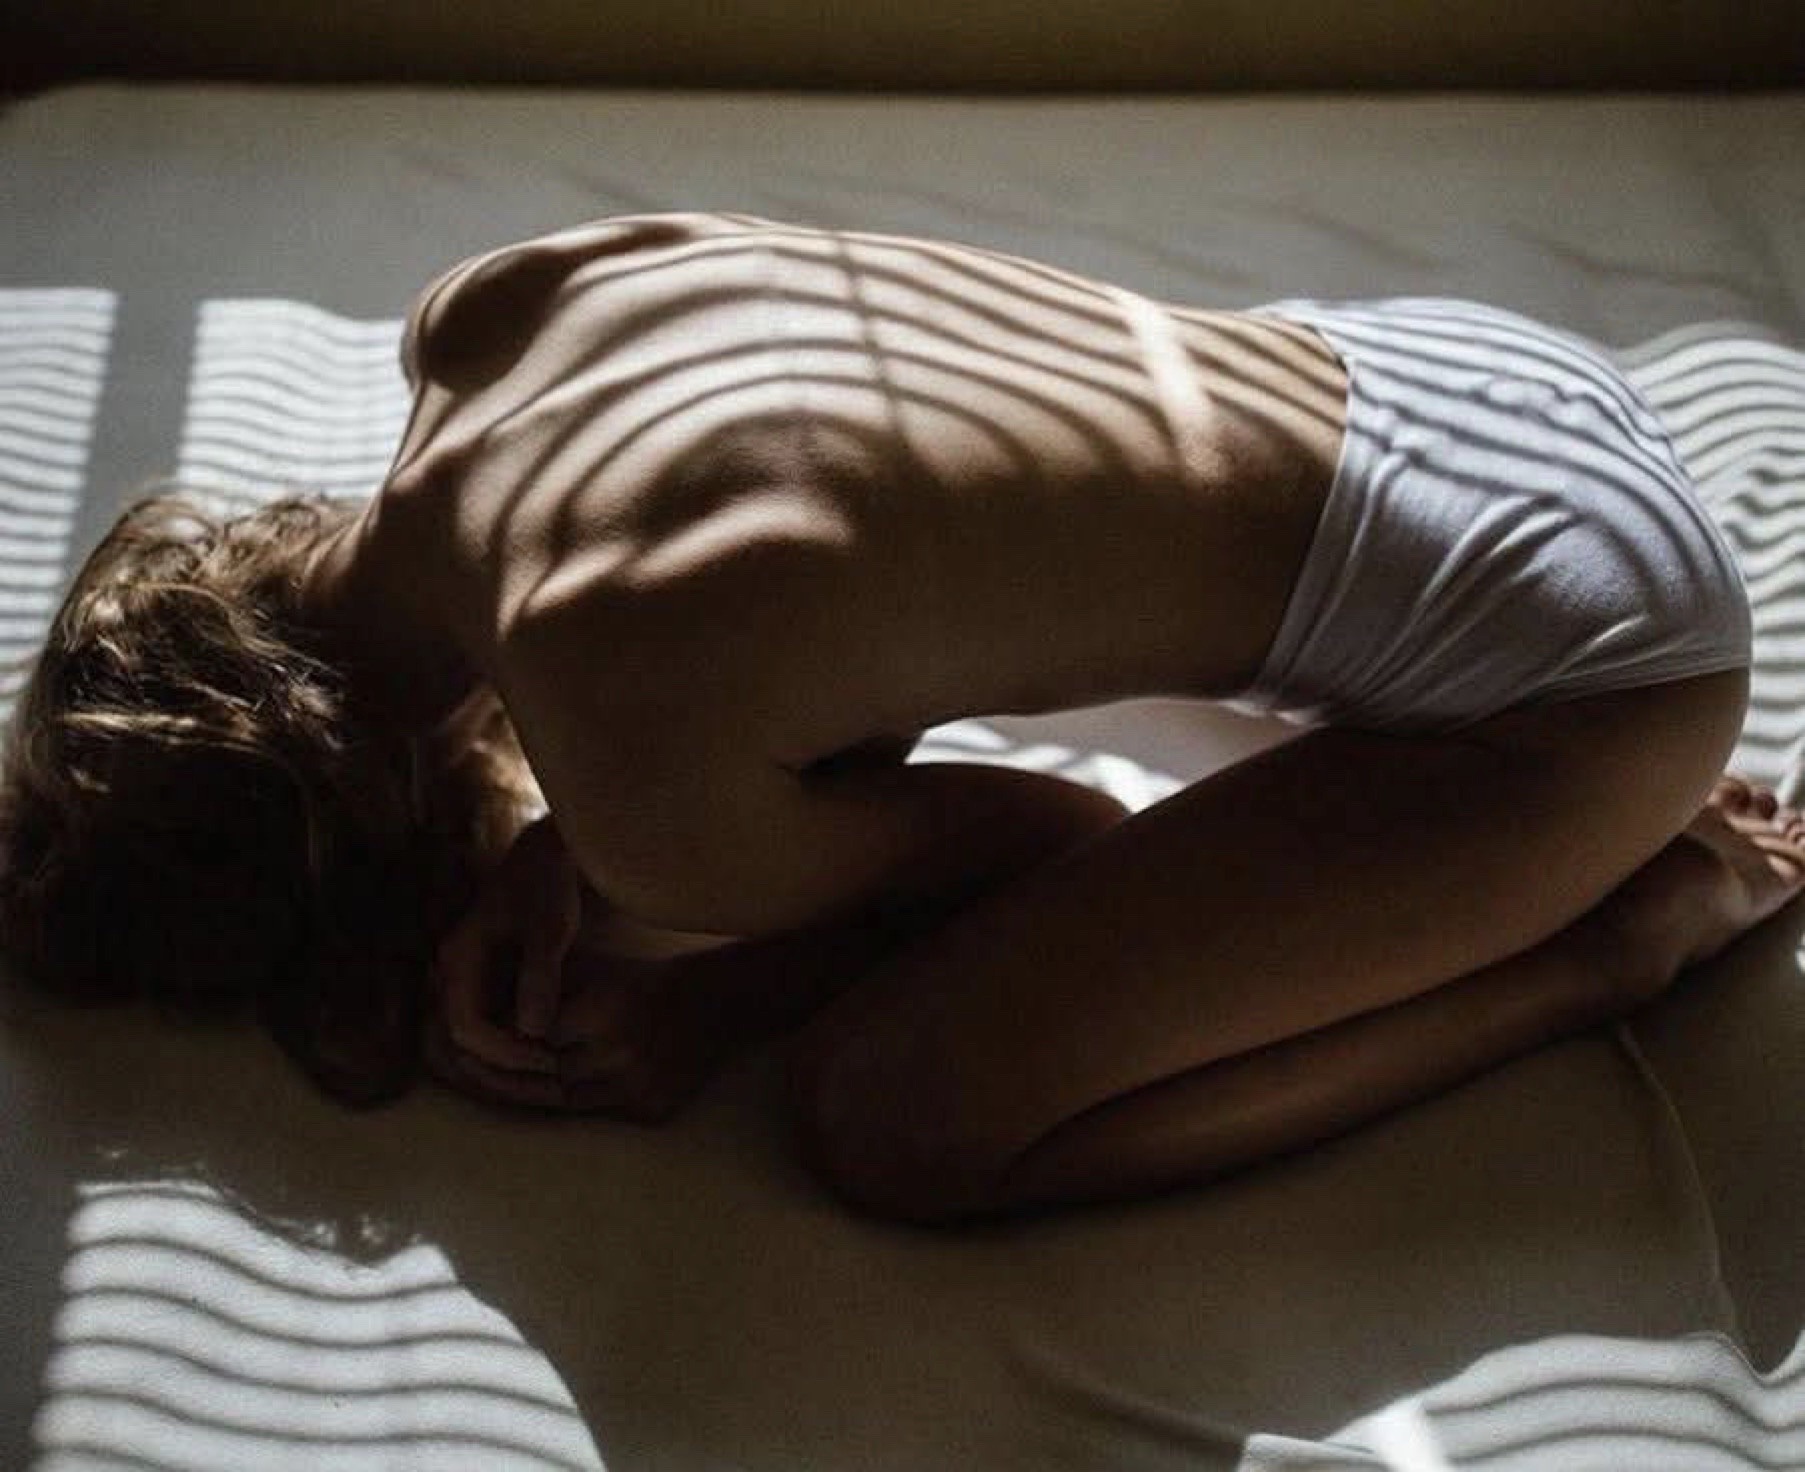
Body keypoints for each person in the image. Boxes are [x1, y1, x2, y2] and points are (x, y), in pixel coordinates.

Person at [2, 211, 1800, 1225]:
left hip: (1599, 674)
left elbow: (1058, 839)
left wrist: (714, 984)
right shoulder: (488, 312)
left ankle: (1619, 932)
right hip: (1472, 384)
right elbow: (840, 540)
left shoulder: (643, 780)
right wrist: (610, 817)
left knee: (892, 1127)